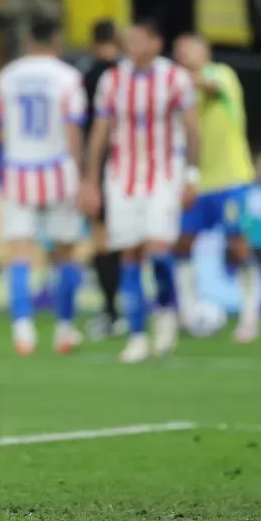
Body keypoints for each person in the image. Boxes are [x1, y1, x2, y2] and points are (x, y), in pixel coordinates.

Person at [80, 19, 199, 364]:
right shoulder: (112, 79)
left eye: (138, 39)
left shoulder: (175, 78)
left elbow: (192, 129)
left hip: (164, 177)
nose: (131, 45)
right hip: (122, 180)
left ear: (155, 42)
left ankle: (164, 312)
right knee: (129, 255)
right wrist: (91, 181)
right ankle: (136, 335)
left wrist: (192, 175)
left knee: (159, 252)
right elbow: (100, 133)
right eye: (128, 39)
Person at [0, 18, 86, 356]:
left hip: (18, 170)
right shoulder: (69, 78)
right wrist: (80, 171)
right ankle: (64, 329)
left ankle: (23, 331)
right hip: (59, 168)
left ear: (28, 38)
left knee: (20, 253)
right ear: (57, 39)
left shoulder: (7, 77)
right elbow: (73, 128)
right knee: (65, 253)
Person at [172, 34, 261, 343]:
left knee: (237, 242)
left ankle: (250, 315)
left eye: (189, 48)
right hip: (196, 181)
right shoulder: (179, 92)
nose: (184, 53)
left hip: (230, 179)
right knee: (182, 243)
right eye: (180, 50)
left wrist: (179, 78)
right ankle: (185, 311)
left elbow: (210, 86)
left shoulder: (221, 75)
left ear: (205, 52)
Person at [81, 20, 126, 340]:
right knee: (134, 243)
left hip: (101, 167)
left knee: (103, 240)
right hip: (133, 168)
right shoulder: (127, 76)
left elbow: (87, 129)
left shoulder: (86, 77)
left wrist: (88, 177)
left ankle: (112, 312)